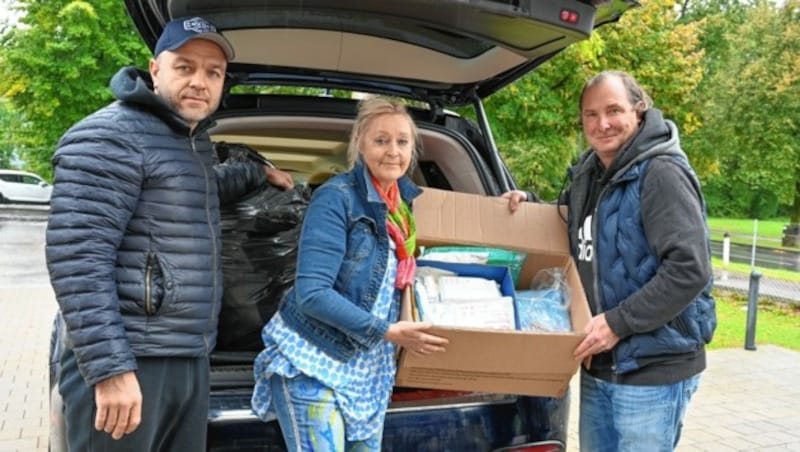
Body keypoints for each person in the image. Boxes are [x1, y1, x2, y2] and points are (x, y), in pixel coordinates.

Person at [46, 16, 294, 451]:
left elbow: (196, 188)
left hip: (189, 356)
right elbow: (77, 260)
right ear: (155, 69)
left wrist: (258, 173)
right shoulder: (108, 137)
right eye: (185, 67)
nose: (200, 81)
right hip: (133, 362)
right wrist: (110, 371)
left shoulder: (186, 142)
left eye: (213, 73)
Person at [505, 70, 716, 451]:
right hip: (600, 363)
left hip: (652, 371)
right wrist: (529, 207)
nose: (602, 124)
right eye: (590, 114)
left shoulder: (661, 172)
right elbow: (579, 231)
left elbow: (690, 269)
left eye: (613, 110)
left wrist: (617, 323)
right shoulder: (590, 172)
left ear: (639, 110)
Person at [251, 97, 449, 451]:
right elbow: (313, 293)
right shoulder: (336, 198)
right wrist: (387, 331)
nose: (393, 151)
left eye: (402, 142)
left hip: (369, 369)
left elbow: (473, 230)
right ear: (360, 143)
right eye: (381, 140)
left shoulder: (403, 207)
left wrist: (516, 200)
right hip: (315, 360)